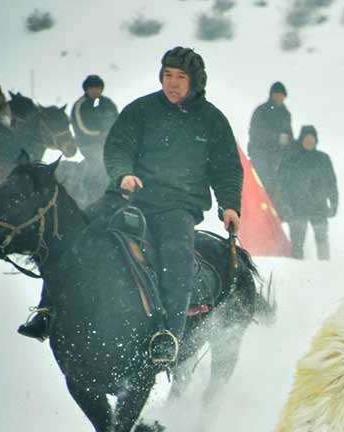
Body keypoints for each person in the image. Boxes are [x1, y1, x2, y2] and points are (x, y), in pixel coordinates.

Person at [76, 46, 240, 364]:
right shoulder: (141, 110)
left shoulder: (212, 120)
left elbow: (227, 168)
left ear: (196, 81)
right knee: (81, 230)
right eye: (167, 75)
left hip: (177, 206)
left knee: (176, 258)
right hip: (128, 196)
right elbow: (118, 146)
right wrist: (123, 173)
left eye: (180, 77)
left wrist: (230, 205)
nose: (172, 83)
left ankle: (167, 336)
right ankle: (49, 309)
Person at [278, 125, 338, 260]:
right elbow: (283, 184)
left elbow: (331, 183)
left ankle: (326, 269)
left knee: (322, 241)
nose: (309, 141)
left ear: (316, 140)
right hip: (297, 208)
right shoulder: (292, 158)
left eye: (312, 139)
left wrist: (334, 203)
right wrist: (285, 205)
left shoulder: (323, 159)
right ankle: (297, 270)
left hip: (319, 207)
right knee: (297, 244)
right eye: (306, 138)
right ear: (301, 140)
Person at [247, 81, 292, 218]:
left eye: (281, 95)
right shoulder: (261, 111)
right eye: (277, 94)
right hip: (260, 154)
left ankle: (277, 212)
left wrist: (291, 147)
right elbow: (255, 133)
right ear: (272, 95)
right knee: (264, 182)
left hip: (278, 156)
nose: (279, 97)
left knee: (281, 182)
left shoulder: (285, 113)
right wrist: (276, 138)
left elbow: (289, 135)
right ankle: (261, 211)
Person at [70, 75, 119, 200]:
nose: (95, 91)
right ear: (86, 90)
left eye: (98, 88)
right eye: (92, 89)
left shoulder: (107, 103)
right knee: (99, 160)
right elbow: (81, 126)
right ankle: (89, 189)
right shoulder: (81, 105)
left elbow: (117, 120)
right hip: (87, 144)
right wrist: (99, 133)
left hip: (107, 142)